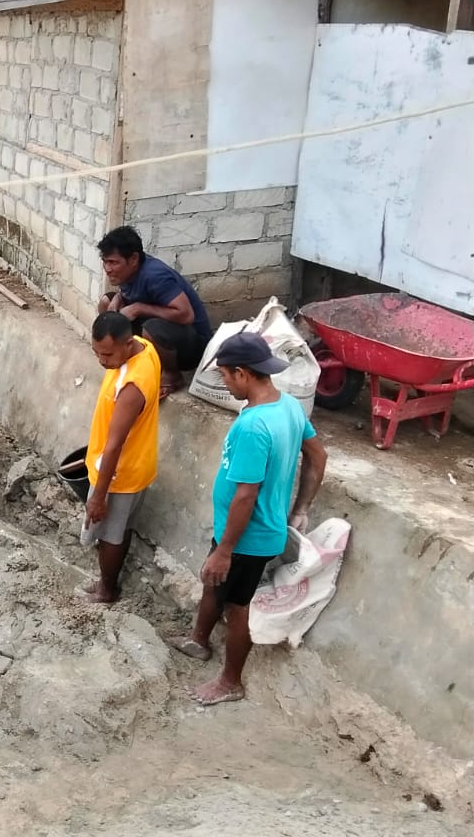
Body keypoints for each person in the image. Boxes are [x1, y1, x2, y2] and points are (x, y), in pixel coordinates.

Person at [168, 332, 327, 706]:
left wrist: (225, 549)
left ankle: (230, 682)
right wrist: (300, 508)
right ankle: (199, 640)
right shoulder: (286, 406)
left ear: (242, 373)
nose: (223, 382)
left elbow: (245, 494)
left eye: (224, 375)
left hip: (246, 538)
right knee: (213, 583)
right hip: (242, 532)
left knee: (237, 606)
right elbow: (318, 456)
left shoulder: (253, 426)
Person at [82, 312, 161, 604]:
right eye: (96, 352)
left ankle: (107, 590)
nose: (102, 361)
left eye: (106, 354)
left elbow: (115, 445)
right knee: (121, 527)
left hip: (119, 472)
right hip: (138, 463)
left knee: (110, 534)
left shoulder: (131, 386)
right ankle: (107, 581)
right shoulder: (144, 347)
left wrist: (99, 495)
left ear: (127, 344)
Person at [97, 226, 213, 400]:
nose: (108, 268)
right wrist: (118, 299)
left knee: (152, 328)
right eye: (105, 261)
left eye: (113, 262)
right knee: (106, 304)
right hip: (159, 326)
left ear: (134, 259)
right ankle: (124, 359)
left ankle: (172, 376)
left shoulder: (155, 276)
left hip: (191, 346)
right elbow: (134, 291)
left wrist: (139, 308)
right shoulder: (128, 272)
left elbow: (186, 314)